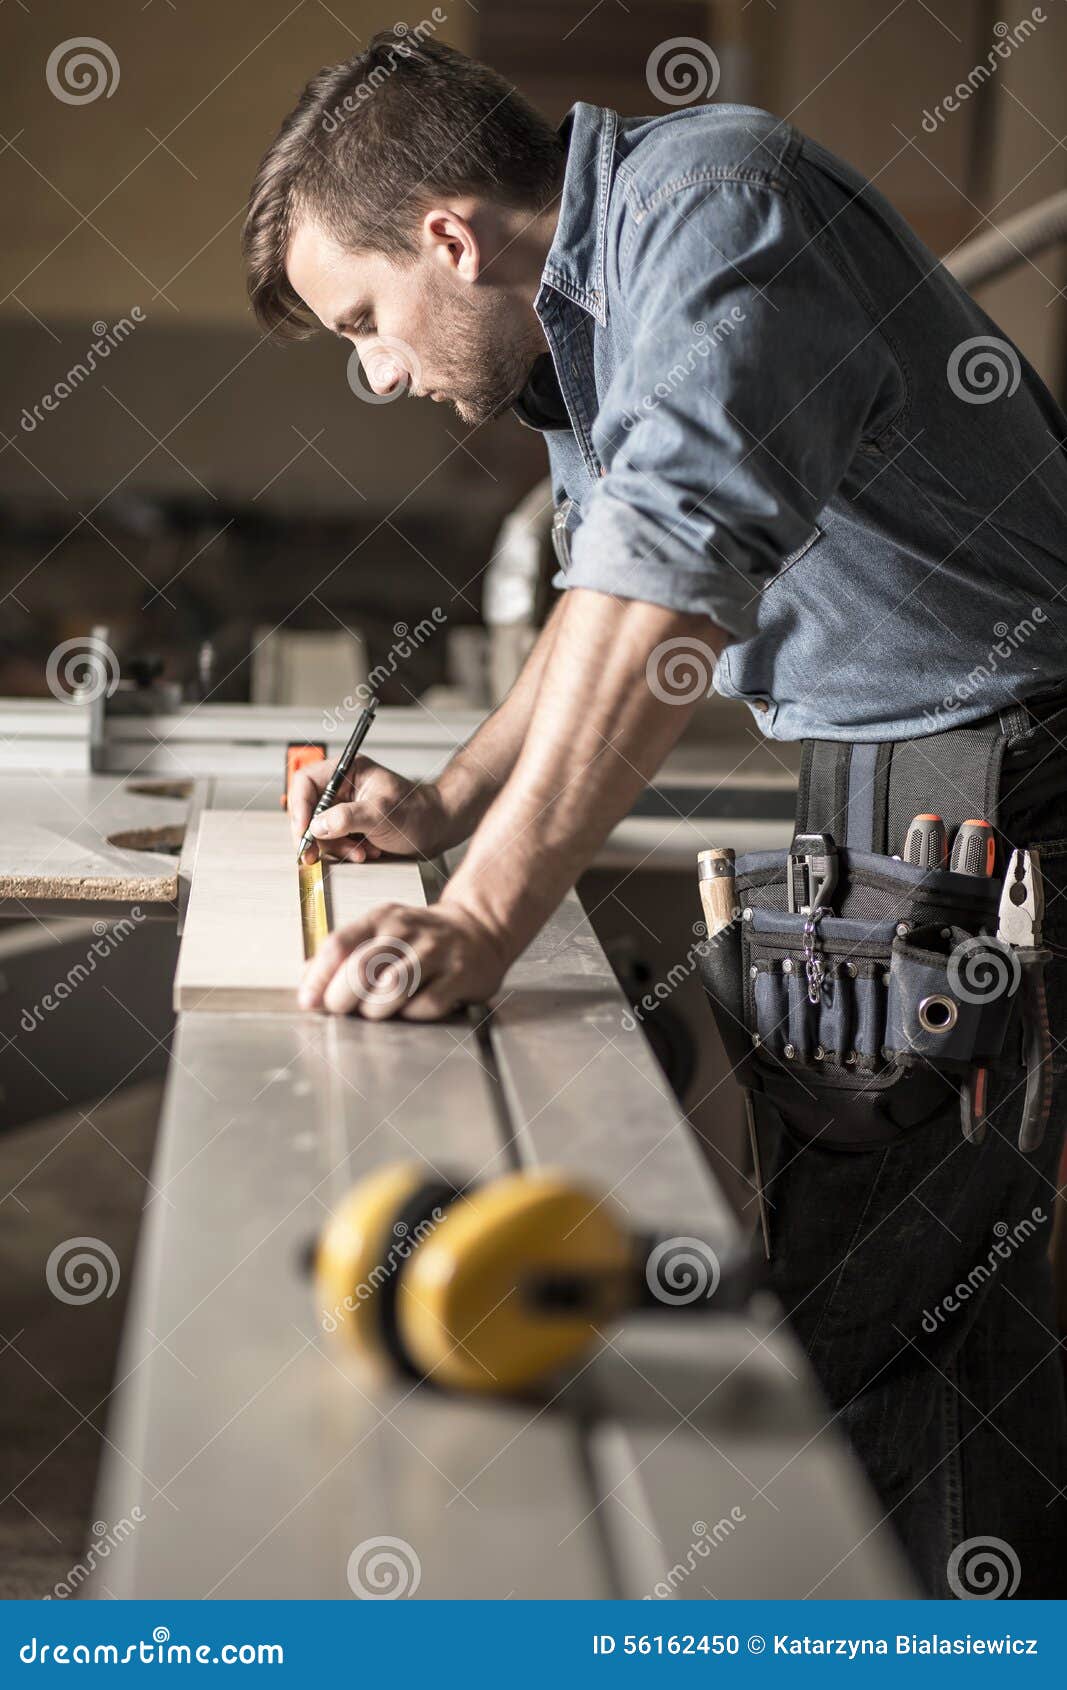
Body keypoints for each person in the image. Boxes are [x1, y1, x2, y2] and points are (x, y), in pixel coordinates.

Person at [244, 36, 1067, 1596]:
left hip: (1008, 779)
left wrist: (483, 914)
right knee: (861, 1270)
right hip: (900, 773)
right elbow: (598, 592)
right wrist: (452, 799)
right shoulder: (588, 308)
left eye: (365, 321)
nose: (380, 370)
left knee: (924, 1307)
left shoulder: (716, 208)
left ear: (447, 233)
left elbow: (671, 573)